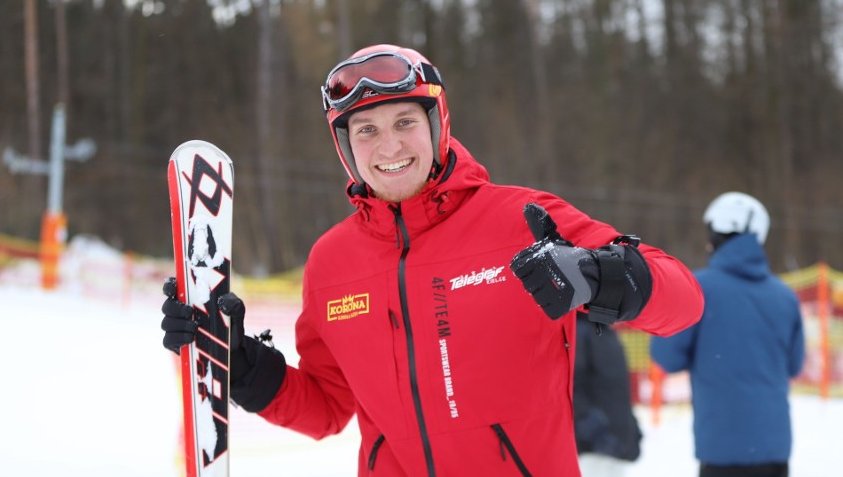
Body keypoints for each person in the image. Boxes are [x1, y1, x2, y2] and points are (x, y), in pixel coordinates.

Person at [162, 44, 704, 476]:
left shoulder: (520, 219)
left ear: (437, 125)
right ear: (346, 149)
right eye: (366, 131)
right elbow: (327, 409)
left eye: (405, 122)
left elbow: (684, 301)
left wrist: (600, 276)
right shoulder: (332, 262)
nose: (389, 146)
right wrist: (238, 361)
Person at [650, 192, 805, 477]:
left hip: (722, 450)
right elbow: (794, 365)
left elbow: (667, 356)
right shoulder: (785, 296)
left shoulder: (699, 288)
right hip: (775, 449)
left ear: (718, 234)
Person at [574, 314, 642, 477]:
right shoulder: (579, 331)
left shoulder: (605, 331)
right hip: (592, 451)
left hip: (615, 444)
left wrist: (631, 430)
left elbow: (617, 390)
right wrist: (595, 433)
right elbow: (572, 387)